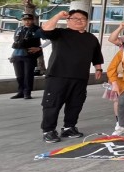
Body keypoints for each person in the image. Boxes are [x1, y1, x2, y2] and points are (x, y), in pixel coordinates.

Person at [38, 9, 104, 143]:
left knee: (76, 103)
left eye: (83, 19)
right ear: (68, 20)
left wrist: (98, 68)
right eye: (75, 18)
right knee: (53, 103)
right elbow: (45, 29)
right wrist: (58, 15)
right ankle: (48, 130)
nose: (79, 20)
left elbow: (96, 55)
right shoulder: (59, 33)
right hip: (58, 75)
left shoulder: (91, 38)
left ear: (87, 21)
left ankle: (69, 127)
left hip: (80, 76)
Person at [10, 12, 41, 99]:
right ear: (22, 21)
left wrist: (40, 48)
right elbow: (16, 43)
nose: (27, 22)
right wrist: (12, 55)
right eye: (25, 20)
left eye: (29, 20)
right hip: (17, 55)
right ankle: (20, 92)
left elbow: (49, 39)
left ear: (33, 20)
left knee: (28, 75)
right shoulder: (19, 29)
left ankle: (27, 93)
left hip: (29, 55)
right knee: (19, 75)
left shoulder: (37, 29)